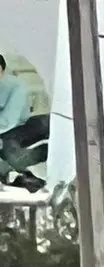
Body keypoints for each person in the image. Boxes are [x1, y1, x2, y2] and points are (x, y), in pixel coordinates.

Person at [0, 56, 46, 193]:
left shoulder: (16, 87)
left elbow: (9, 120)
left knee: (14, 157)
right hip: (5, 132)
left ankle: (50, 151)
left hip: (19, 127)